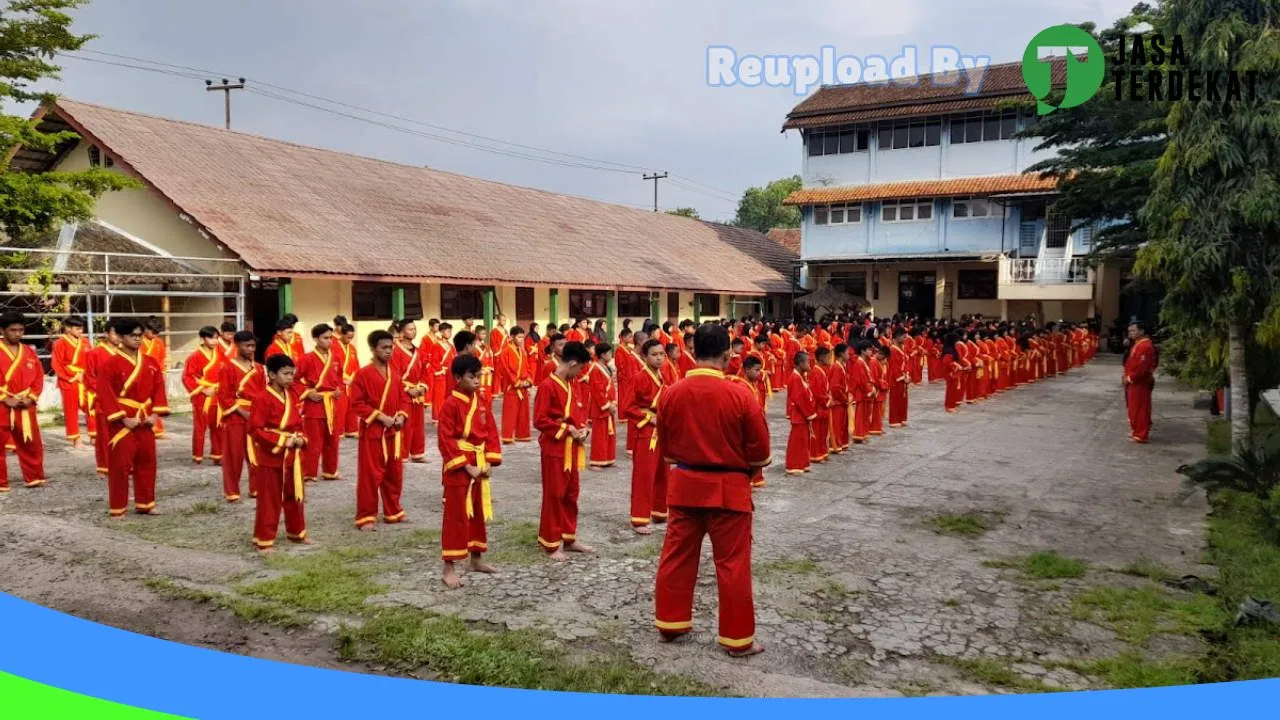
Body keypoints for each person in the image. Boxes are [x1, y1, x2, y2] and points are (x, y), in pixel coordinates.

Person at [653, 324, 770, 658]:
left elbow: (668, 449)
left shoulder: (672, 392)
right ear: (725, 353)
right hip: (729, 489)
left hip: (685, 485)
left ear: (694, 351)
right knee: (732, 564)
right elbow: (760, 451)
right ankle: (737, 640)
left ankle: (670, 624)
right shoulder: (740, 393)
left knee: (676, 556)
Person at [437, 353, 503, 588]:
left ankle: (476, 559)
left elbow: (491, 430)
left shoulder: (482, 400)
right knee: (456, 515)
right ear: (457, 378)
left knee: (477, 512)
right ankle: (449, 567)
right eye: (471, 376)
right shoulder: (450, 404)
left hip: (479, 460)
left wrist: (489, 460)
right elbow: (445, 439)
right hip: (459, 466)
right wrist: (467, 466)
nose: (477, 381)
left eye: (479, 376)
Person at [95, 318, 170, 516]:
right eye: (132, 336)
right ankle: (118, 507)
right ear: (120, 337)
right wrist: (123, 419)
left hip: (145, 419)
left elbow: (158, 390)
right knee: (120, 466)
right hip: (123, 421)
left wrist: (155, 415)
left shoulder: (151, 362)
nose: (138, 339)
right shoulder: (109, 364)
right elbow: (105, 393)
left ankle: (146, 503)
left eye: (140, 336)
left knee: (147, 462)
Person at [533, 340, 594, 560]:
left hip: (572, 448)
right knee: (554, 494)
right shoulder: (547, 386)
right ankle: (550, 542)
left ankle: (569, 537)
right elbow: (539, 420)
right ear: (572, 363)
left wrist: (583, 428)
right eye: (580, 368)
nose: (580, 373)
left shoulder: (572, 383)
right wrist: (566, 428)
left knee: (571, 493)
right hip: (555, 448)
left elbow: (578, 412)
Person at [250, 354, 311, 552]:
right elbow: (256, 430)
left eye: (292, 374)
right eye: (285, 374)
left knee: (296, 494)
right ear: (272, 374)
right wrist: (283, 441)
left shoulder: (291, 395)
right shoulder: (262, 398)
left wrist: (301, 438)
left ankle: (297, 532)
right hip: (272, 454)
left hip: (293, 454)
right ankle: (264, 539)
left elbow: (298, 423)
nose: (290, 378)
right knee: (270, 498)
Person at [351, 330, 409, 529]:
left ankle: (393, 511)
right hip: (373, 432)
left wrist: (401, 415)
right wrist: (379, 416)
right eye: (383, 347)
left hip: (393, 431)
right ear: (373, 349)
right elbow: (356, 403)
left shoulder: (395, 373)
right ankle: (366, 516)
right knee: (370, 475)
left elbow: (403, 397)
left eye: (390, 347)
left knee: (394, 473)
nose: (388, 351)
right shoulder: (362, 374)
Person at [0, 313, 46, 491]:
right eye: (13, 330)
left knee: (31, 441)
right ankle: (1, 482)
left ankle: (34, 476)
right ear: (2, 330)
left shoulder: (28, 352)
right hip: (4, 403)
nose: (17, 334)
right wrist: (4, 398)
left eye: (20, 330)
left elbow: (38, 377)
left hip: (26, 402)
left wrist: (32, 397)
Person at [626, 339, 668, 533]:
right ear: (644, 356)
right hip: (646, 431)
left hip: (662, 430)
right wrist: (648, 417)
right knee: (644, 474)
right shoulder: (639, 377)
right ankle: (640, 518)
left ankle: (659, 511)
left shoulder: (664, 375)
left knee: (663, 472)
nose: (659, 358)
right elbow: (628, 406)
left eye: (661, 354)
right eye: (654, 354)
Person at [296, 323, 345, 482]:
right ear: (316, 339)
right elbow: (293, 380)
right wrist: (308, 393)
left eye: (331, 337)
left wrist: (338, 390)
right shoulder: (306, 358)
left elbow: (339, 378)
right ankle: (309, 472)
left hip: (332, 403)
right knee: (313, 441)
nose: (329, 341)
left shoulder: (336, 357)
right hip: (315, 405)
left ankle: (330, 471)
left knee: (333, 439)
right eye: (325, 338)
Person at [181, 326, 224, 465]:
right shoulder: (194, 357)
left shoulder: (221, 353)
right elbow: (187, 377)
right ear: (203, 339)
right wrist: (203, 389)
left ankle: (218, 455)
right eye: (211, 338)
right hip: (202, 397)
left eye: (216, 338)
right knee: (200, 427)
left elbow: (228, 371)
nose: (214, 341)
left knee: (218, 427)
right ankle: (197, 455)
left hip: (218, 395)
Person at [85, 323, 122, 476]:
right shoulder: (94, 354)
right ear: (107, 334)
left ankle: (124, 463)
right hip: (104, 400)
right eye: (115, 333)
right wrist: (107, 392)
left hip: (125, 400)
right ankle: (106, 465)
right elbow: (89, 378)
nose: (118, 337)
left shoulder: (126, 352)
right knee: (105, 434)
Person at [51, 316, 94, 447]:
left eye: (82, 328)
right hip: (68, 380)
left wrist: (87, 375)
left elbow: (92, 361)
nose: (80, 331)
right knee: (71, 410)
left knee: (91, 406)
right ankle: (75, 437)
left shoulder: (86, 342)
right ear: (68, 329)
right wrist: (73, 375)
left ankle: (94, 435)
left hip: (85, 378)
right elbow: (56, 364)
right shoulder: (60, 343)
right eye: (77, 328)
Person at [497, 326, 533, 443]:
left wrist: (528, 381)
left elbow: (527, 368)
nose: (521, 339)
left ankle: (522, 435)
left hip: (523, 386)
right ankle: (507, 436)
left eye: (523, 337)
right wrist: (517, 382)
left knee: (524, 412)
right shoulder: (505, 351)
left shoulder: (522, 351)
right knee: (510, 412)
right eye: (519, 337)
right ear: (512, 337)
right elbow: (506, 370)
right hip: (512, 386)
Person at [1124, 322, 1157, 444]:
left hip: (1139, 382)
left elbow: (1142, 367)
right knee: (1134, 407)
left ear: (1141, 331)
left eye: (1133, 330)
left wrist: (1130, 378)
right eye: (1129, 331)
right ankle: (1137, 430)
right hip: (1134, 381)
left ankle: (1141, 433)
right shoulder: (1138, 344)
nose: (1131, 333)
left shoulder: (1145, 346)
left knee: (1140, 408)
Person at [587, 342, 618, 469]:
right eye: (609, 353)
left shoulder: (606, 367)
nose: (611, 355)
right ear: (602, 355)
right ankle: (596, 460)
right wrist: (607, 404)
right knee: (599, 435)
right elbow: (597, 391)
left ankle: (608, 458)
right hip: (600, 407)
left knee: (609, 434)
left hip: (609, 404)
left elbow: (610, 387)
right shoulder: (595, 369)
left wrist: (614, 403)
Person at [785, 351, 816, 475]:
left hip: (802, 415)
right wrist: (809, 413)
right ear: (801, 363)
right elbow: (800, 399)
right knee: (796, 441)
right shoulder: (795, 378)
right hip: (799, 415)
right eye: (808, 362)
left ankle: (802, 463)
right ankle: (794, 465)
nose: (809, 364)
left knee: (802, 441)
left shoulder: (800, 376)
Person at [140, 318, 168, 438]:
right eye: (153, 332)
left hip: (156, 375)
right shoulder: (138, 341)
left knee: (157, 402)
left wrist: (163, 373)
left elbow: (161, 359)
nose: (155, 335)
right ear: (146, 329)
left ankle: (158, 429)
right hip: (142, 375)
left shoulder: (159, 342)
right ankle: (144, 426)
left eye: (157, 333)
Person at [809, 347, 832, 464]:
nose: (830, 359)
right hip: (818, 407)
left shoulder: (822, 370)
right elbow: (818, 393)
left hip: (823, 407)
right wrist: (828, 400)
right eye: (828, 357)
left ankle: (823, 452)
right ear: (822, 358)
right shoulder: (816, 372)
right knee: (817, 432)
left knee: (823, 431)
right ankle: (815, 455)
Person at [828, 344, 851, 453]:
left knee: (842, 424)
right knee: (837, 425)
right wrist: (844, 399)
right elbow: (835, 387)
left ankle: (841, 443)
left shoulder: (842, 366)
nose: (849, 355)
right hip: (838, 401)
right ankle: (835, 445)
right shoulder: (837, 367)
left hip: (842, 400)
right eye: (847, 353)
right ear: (841, 354)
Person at [888, 330, 911, 428]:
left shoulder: (903, 348)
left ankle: (902, 418)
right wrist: (901, 377)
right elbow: (894, 366)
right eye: (904, 337)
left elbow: (906, 362)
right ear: (897, 337)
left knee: (903, 399)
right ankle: (894, 420)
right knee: (895, 399)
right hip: (895, 378)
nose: (905, 339)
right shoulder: (893, 350)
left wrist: (907, 375)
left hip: (904, 376)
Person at [489, 314, 509, 398]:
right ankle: (495, 391)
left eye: (505, 320)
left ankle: (504, 390)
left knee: (505, 373)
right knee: (497, 373)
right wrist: (497, 352)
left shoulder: (506, 331)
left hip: (505, 354)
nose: (503, 322)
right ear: (498, 320)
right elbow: (493, 343)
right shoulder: (494, 331)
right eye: (502, 320)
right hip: (498, 354)